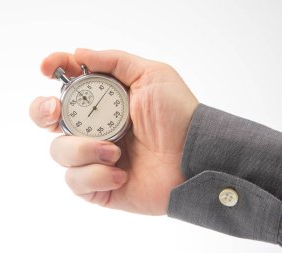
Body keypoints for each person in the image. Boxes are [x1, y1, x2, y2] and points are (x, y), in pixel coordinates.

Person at [29, 48, 282, 246]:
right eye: (80, 110)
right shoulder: (70, 110)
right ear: (68, 121)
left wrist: (191, 139)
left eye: (98, 97)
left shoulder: (113, 93)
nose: (93, 106)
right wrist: (187, 142)